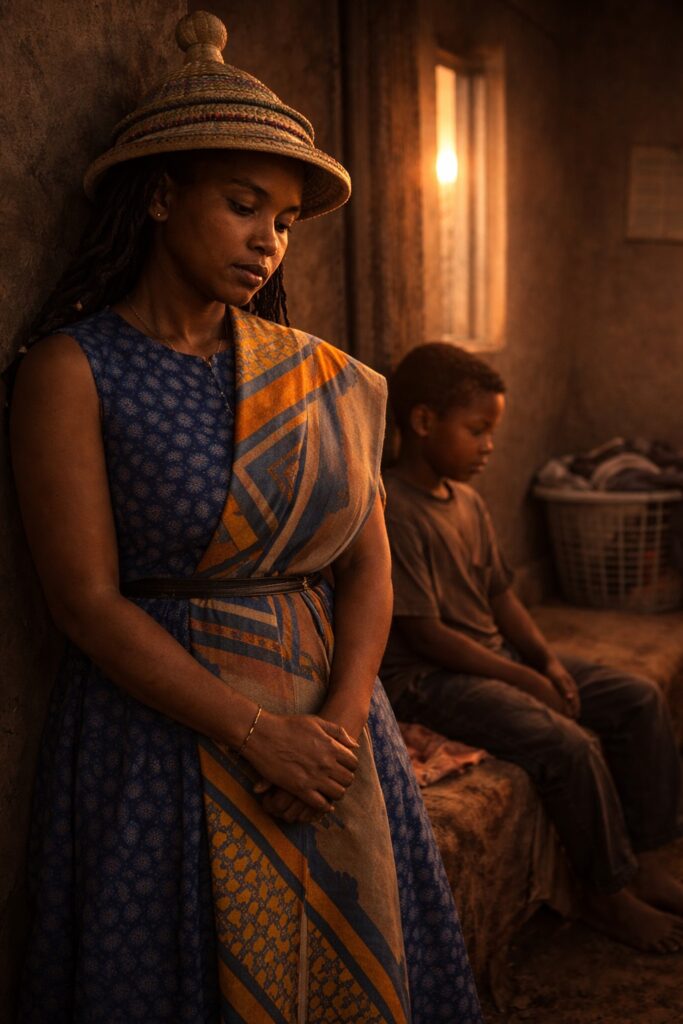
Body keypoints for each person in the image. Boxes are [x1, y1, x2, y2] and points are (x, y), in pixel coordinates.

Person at [8, 15, 482, 1024]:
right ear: (160, 194)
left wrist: (341, 730)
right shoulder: (71, 372)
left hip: (332, 732)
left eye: (284, 220)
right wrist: (257, 735)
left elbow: (367, 569)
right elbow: (85, 601)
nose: (268, 239)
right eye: (242, 206)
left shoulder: (315, 378)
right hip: (165, 739)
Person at [380, 341, 683, 955]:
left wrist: (544, 660)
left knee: (636, 697)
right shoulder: (394, 509)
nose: (490, 446)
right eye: (478, 430)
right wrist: (524, 682)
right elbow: (426, 634)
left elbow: (502, 596)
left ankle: (648, 856)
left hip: (494, 657)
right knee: (563, 742)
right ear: (421, 422)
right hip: (429, 678)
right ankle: (607, 892)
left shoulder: (465, 500)